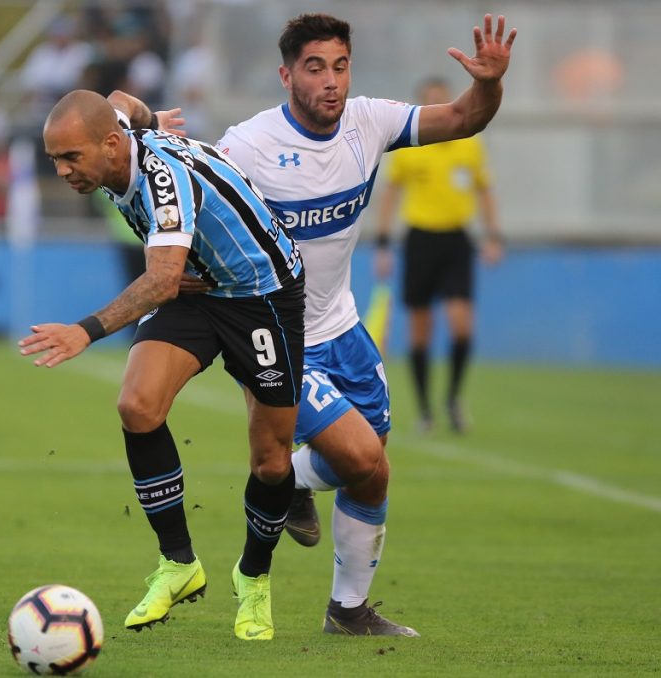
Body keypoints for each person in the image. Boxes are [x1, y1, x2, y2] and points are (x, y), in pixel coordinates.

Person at [216, 13, 515, 636]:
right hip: (280, 341)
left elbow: (464, 118)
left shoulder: (370, 122)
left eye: (341, 66)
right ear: (286, 74)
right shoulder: (245, 147)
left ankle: (334, 582)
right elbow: (198, 220)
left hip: (344, 328)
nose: (331, 81)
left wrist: (488, 84)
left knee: (372, 458)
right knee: (367, 464)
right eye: (315, 67)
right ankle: (297, 517)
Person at [18, 89, 305, 641]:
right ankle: (179, 563)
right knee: (137, 404)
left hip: (261, 295)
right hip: (198, 289)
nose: (61, 170)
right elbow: (119, 99)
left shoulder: (162, 182)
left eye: (70, 157)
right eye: (55, 158)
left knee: (271, 460)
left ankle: (254, 579)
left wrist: (85, 330)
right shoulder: (117, 130)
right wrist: (150, 117)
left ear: (108, 145)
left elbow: (161, 281)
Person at [376, 77, 504, 434]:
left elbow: (485, 191)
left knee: (461, 323)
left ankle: (453, 398)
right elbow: (390, 194)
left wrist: (494, 235)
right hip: (419, 240)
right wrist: (384, 243)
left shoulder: (468, 145)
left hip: (457, 240)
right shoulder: (410, 147)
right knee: (421, 331)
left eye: (442, 101)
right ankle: (425, 409)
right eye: (430, 102)